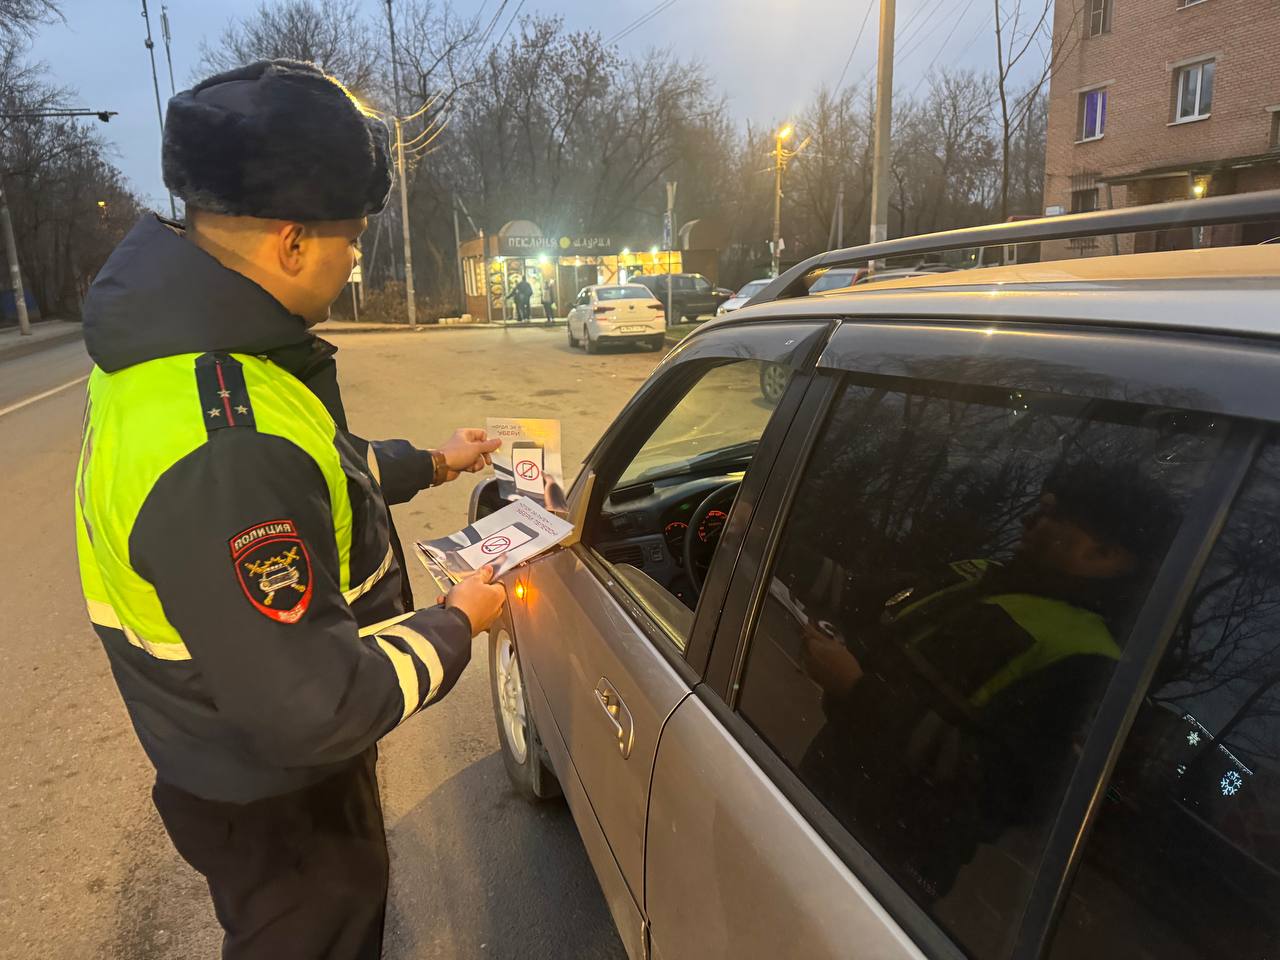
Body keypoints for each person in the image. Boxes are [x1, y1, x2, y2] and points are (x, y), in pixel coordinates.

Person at [73, 60, 506, 960]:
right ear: (293, 242)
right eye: (353, 239)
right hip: (278, 800)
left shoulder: (196, 363)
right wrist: (459, 621)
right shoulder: (226, 441)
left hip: (229, 761)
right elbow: (317, 707)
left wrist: (434, 462)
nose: (355, 263)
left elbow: (317, 475)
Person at [797, 462, 1177, 906]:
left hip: (883, 861)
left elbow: (1004, 786)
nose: (1028, 520)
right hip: (817, 794)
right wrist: (764, 537)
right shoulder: (981, 575)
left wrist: (858, 692)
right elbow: (860, 594)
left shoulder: (1089, 662)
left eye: (1050, 514)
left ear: (1103, 555)